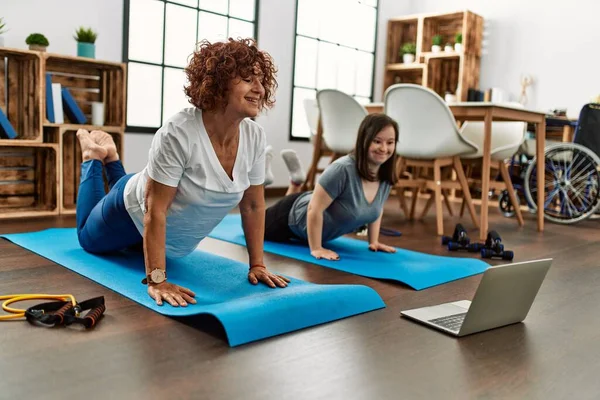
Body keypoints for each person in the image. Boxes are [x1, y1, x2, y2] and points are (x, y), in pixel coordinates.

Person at [75, 38, 290, 308]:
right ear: (220, 83)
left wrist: (257, 264)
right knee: (86, 238)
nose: (259, 89)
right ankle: (93, 158)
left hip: (157, 208)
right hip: (128, 213)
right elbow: (155, 211)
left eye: (261, 81)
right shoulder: (180, 132)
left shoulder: (255, 137)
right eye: (248, 79)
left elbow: (253, 205)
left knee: (138, 195)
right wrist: (157, 280)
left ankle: (113, 159)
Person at [264, 113, 399, 261]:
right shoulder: (342, 169)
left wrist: (374, 242)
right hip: (292, 216)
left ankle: (296, 182)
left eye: (390, 142)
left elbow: (376, 208)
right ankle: (263, 181)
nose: (384, 148)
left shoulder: (385, 175)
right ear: (363, 140)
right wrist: (316, 248)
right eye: (377, 141)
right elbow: (313, 209)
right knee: (250, 228)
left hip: (309, 206)